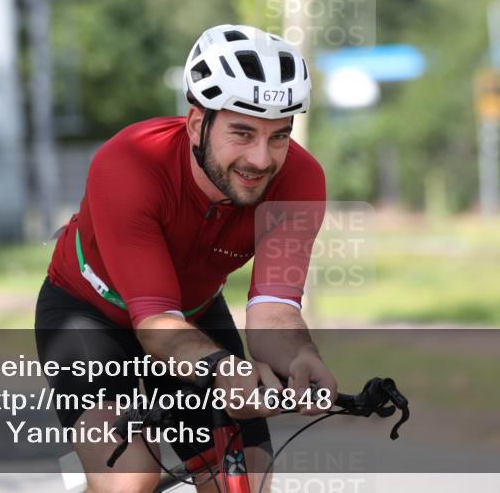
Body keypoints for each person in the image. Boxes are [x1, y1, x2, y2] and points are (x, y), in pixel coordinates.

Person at [35, 24, 337, 493]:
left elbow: (275, 309)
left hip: (192, 317)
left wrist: (301, 356)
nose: (261, 159)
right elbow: (155, 321)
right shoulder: (130, 164)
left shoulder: (300, 181)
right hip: (87, 313)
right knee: (130, 476)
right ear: (198, 123)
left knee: (244, 479)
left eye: (279, 136)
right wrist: (223, 370)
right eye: (242, 132)